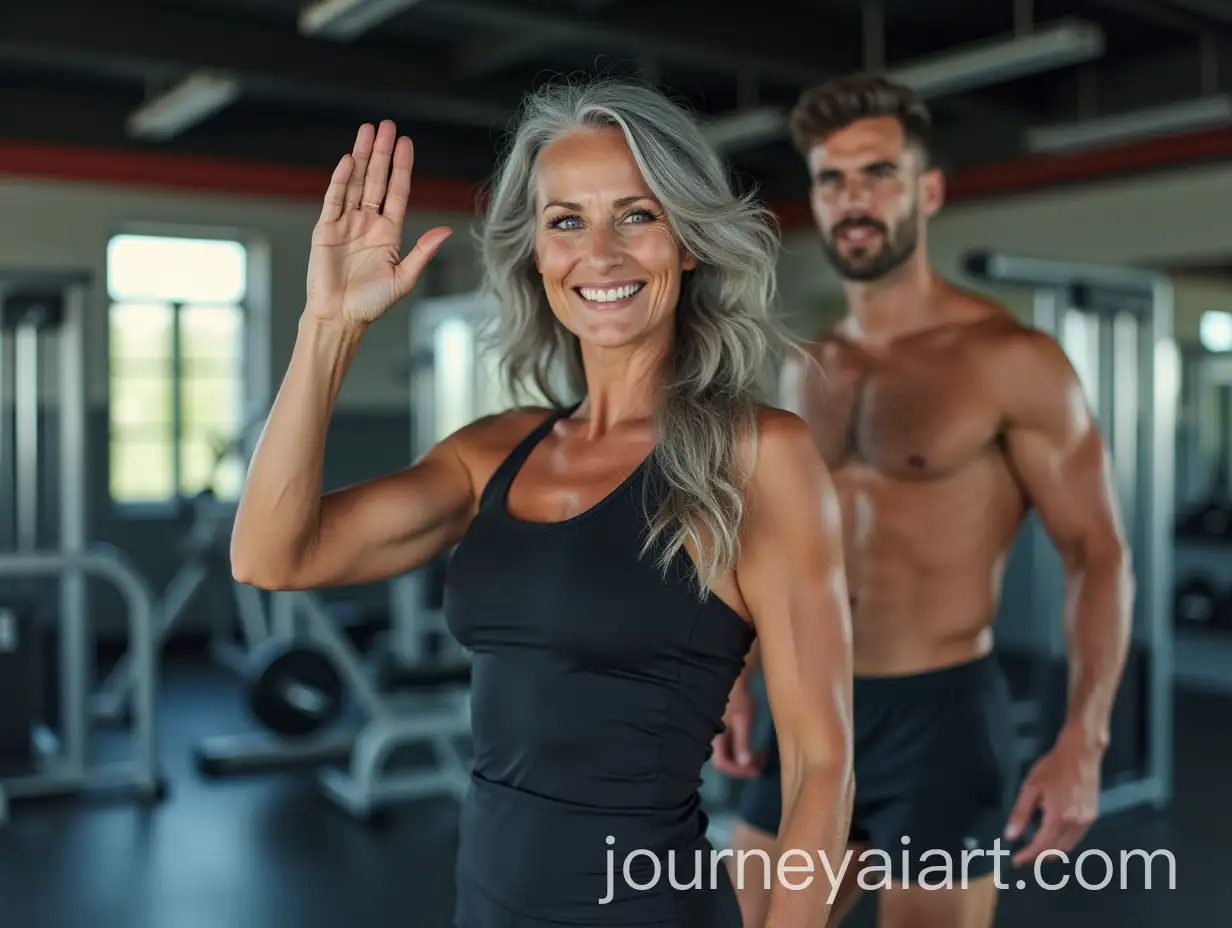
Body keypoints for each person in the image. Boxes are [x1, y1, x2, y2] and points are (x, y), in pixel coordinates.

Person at [230, 78, 855, 927]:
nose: (599, 254)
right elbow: (270, 555)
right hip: (484, 903)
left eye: (637, 215)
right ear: (537, 253)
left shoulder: (758, 456)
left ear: (690, 242)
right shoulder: (493, 452)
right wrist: (328, 328)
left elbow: (823, 763)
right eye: (567, 222)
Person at [713, 73, 1134, 928]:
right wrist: (737, 672)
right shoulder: (807, 363)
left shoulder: (1011, 359)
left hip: (938, 715)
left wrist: (1083, 737)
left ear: (927, 191)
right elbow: (774, 539)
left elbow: (1098, 553)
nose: (852, 199)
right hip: (810, 697)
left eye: (877, 174)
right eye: (832, 180)